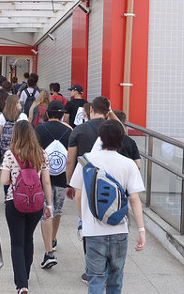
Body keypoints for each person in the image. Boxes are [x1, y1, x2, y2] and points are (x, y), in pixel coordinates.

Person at [69, 119, 146, 293]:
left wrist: (84, 218)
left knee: (95, 281)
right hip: (119, 230)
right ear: (121, 138)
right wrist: (141, 230)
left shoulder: (86, 161)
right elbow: (134, 199)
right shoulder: (128, 164)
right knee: (115, 280)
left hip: (94, 232)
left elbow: (78, 194)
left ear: (101, 138)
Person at [65, 96, 115, 284]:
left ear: (90, 109)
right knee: (110, 221)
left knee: (88, 223)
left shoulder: (79, 130)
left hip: (87, 182)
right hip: (112, 182)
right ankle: (109, 267)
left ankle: (91, 269)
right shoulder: (114, 130)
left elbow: (71, 160)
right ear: (108, 111)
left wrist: (70, 183)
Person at [0, 120, 53, 294]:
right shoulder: (41, 154)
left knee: (16, 242)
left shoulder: (10, 154)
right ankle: (27, 275)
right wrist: (49, 204)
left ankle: (21, 284)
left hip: (14, 202)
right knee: (28, 238)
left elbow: (4, 180)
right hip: (36, 203)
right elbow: (46, 181)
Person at [34, 100, 72, 269]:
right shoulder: (69, 131)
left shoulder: (39, 129)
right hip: (63, 177)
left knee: (46, 211)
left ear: (47, 114)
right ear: (63, 114)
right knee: (57, 210)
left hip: (43, 176)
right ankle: (53, 239)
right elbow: (72, 157)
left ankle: (49, 251)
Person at [0, 95, 28, 175]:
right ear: (14, 104)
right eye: (18, 103)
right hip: (20, 149)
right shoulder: (23, 116)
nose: (20, 104)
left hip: (6, 150)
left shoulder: (2, 116)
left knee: (6, 173)